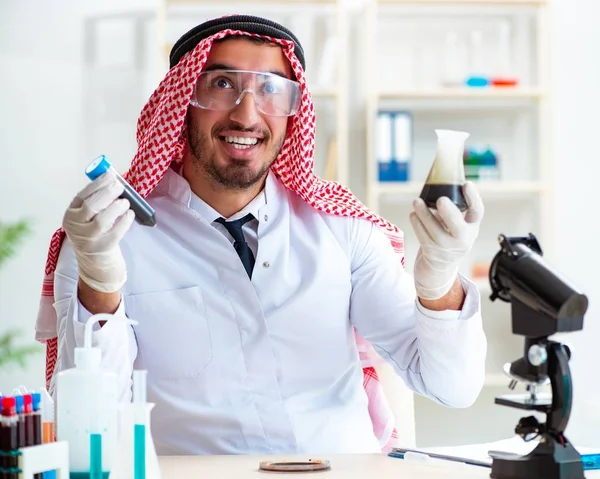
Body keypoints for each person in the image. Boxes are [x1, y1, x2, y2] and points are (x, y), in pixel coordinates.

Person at [35, 15, 487, 456]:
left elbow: (452, 387)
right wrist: (100, 285)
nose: (247, 114)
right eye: (223, 84)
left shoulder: (343, 229)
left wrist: (439, 285)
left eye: (272, 89)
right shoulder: (106, 237)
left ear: (295, 114)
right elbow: (85, 424)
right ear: (182, 100)